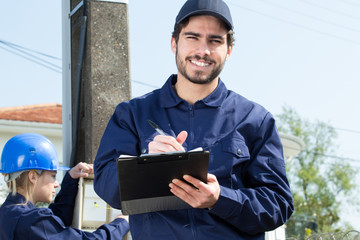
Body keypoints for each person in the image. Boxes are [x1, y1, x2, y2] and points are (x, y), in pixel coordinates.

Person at [94, 0, 294, 239]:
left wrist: (221, 199)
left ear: (229, 50)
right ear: (174, 43)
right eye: (192, 37)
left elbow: (278, 205)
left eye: (215, 40)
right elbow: (105, 184)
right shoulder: (132, 114)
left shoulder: (255, 120)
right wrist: (146, 164)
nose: (203, 51)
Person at [0, 133, 129, 240]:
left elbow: (55, 224)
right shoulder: (32, 221)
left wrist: (71, 179)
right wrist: (121, 223)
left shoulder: (7, 214)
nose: (56, 184)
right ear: (33, 177)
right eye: (53, 176)